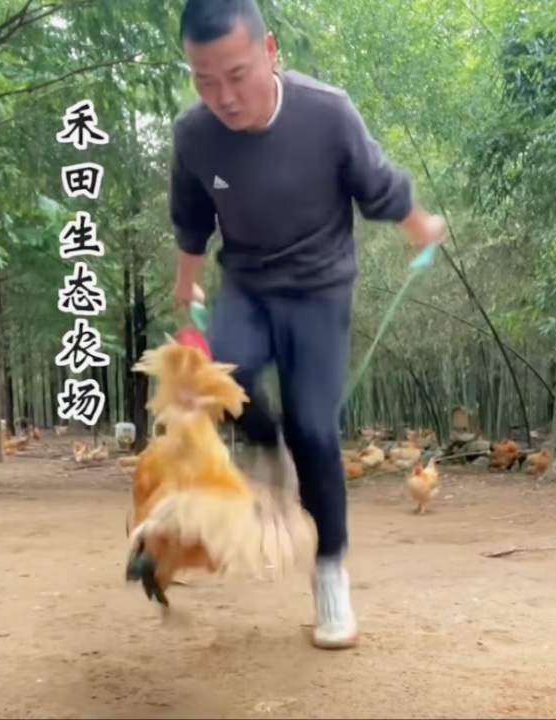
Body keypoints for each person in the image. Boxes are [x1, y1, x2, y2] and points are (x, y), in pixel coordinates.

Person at [168, 0, 445, 650]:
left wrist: (421, 228)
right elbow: (190, 216)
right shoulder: (193, 134)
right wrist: (187, 280)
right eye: (203, 80)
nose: (223, 96)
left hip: (321, 291)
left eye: (235, 74)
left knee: (316, 428)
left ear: (269, 53)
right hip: (248, 287)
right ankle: (268, 450)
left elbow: (380, 186)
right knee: (214, 381)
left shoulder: (327, 113)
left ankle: (330, 571)